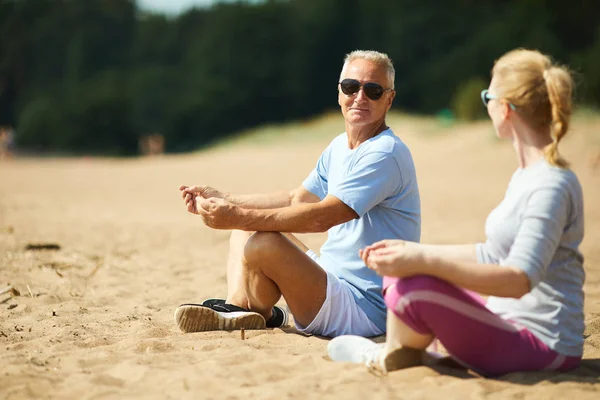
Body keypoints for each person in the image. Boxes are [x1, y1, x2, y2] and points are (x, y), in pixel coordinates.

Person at [328, 48, 585, 377]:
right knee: (398, 267)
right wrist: (411, 252)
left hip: (545, 346)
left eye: (487, 96)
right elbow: (493, 254)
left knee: (413, 287)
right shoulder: (528, 175)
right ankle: (411, 354)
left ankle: (386, 354)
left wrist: (425, 262)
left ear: (505, 109)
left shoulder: (551, 184)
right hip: (508, 327)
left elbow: (520, 279)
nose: (486, 104)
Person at [175, 50, 421, 338]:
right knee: (244, 230)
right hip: (331, 277)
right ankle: (242, 309)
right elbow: (297, 199)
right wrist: (227, 200)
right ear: (339, 93)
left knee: (263, 241)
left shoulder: (384, 153)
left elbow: (322, 218)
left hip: (364, 308)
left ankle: (251, 313)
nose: (360, 97)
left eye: (373, 90)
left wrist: (235, 215)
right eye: (351, 87)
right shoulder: (340, 145)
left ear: (389, 99)